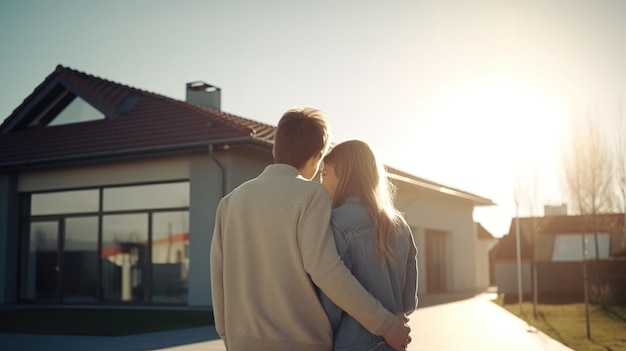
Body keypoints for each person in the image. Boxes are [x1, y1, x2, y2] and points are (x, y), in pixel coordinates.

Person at [210, 108, 411, 351]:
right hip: (303, 343)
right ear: (317, 157)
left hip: (241, 343)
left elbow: (218, 277)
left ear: (275, 147)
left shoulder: (230, 201)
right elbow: (327, 272)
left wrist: (227, 336)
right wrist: (387, 325)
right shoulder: (312, 196)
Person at [319, 140, 418, 351]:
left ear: (343, 175)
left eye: (324, 174)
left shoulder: (334, 222)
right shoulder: (401, 225)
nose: (321, 183)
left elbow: (330, 306)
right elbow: (409, 302)